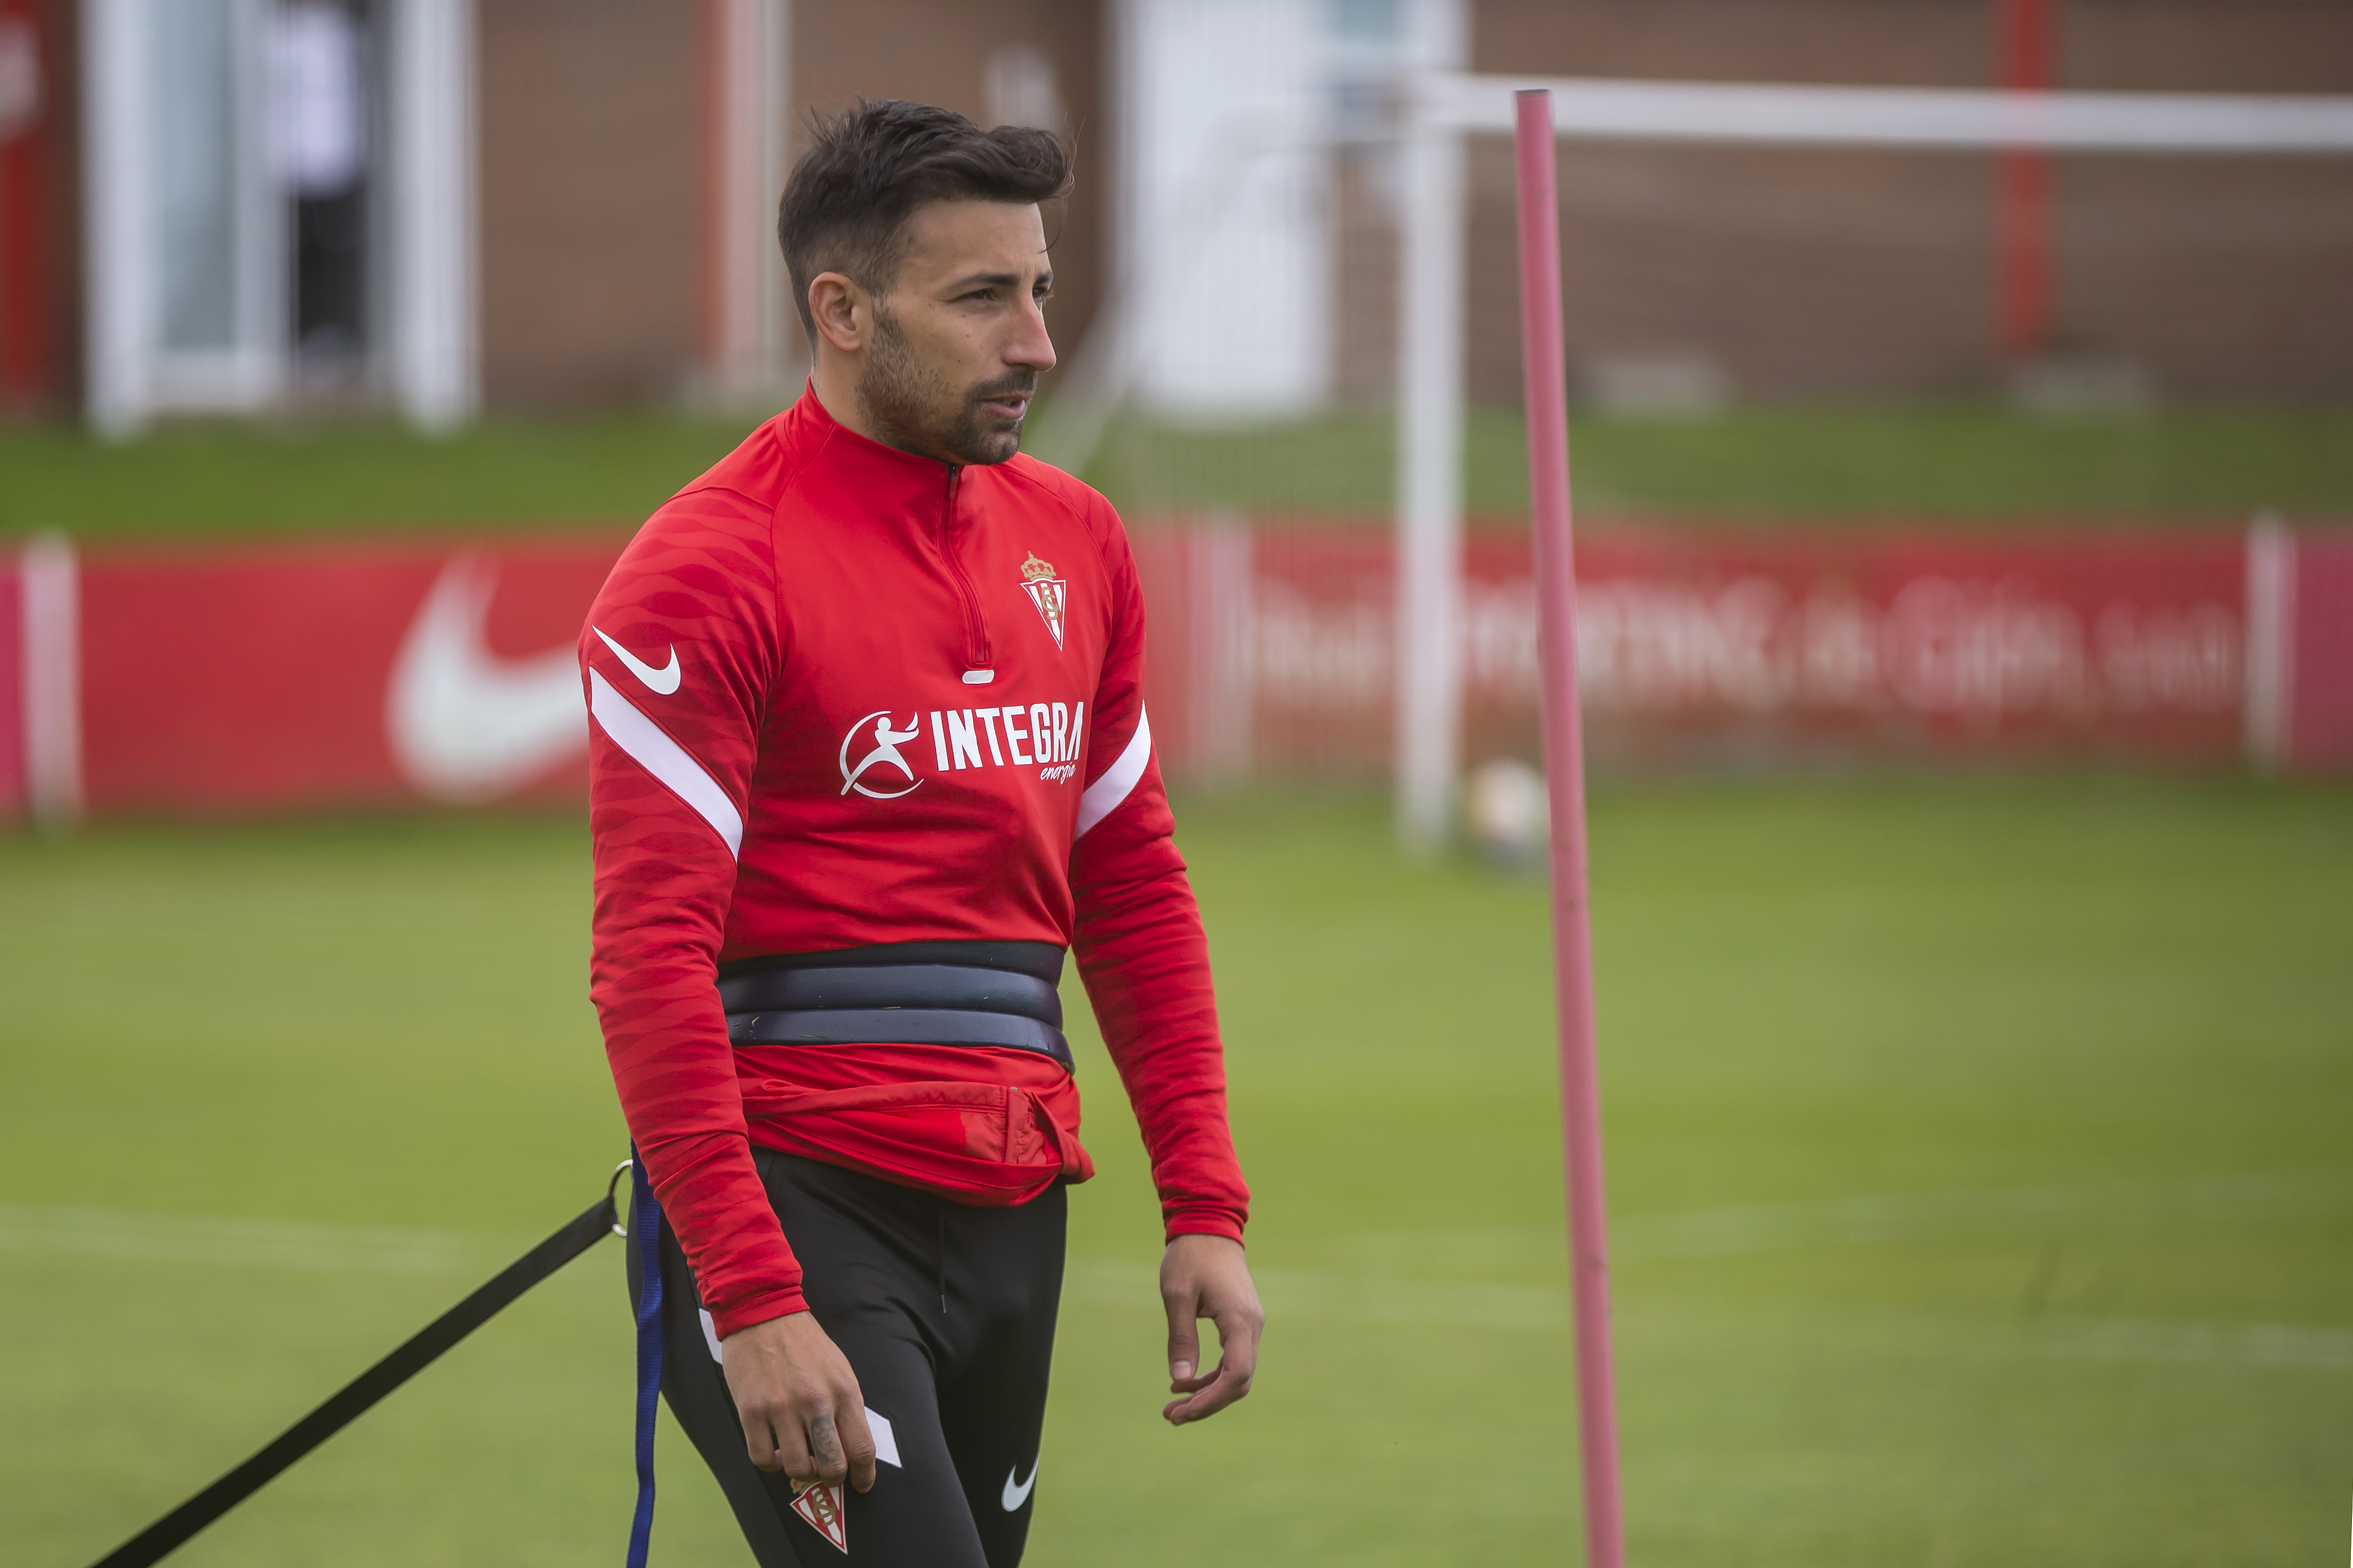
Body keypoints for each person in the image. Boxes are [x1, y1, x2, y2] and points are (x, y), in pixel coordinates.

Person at [580, 99, 1262, 1567]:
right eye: (981, 298)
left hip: (1019, 1206)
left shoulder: (1075, 539)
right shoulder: (702, 572)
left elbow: (1131, 887)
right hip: (795, 1209)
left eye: (1039, 291)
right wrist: (755, 1299)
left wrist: (1202, 1201)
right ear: (840, 309)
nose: (1035, 341)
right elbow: (649, 962)